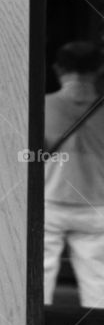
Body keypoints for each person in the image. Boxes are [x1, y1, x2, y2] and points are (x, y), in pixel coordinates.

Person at [44, 41, 104, 308]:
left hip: (50, 200)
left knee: (39, 276)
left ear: (57, 68)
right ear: (99, 69)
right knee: (98, 280)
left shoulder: (41, 106)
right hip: (97, 204)